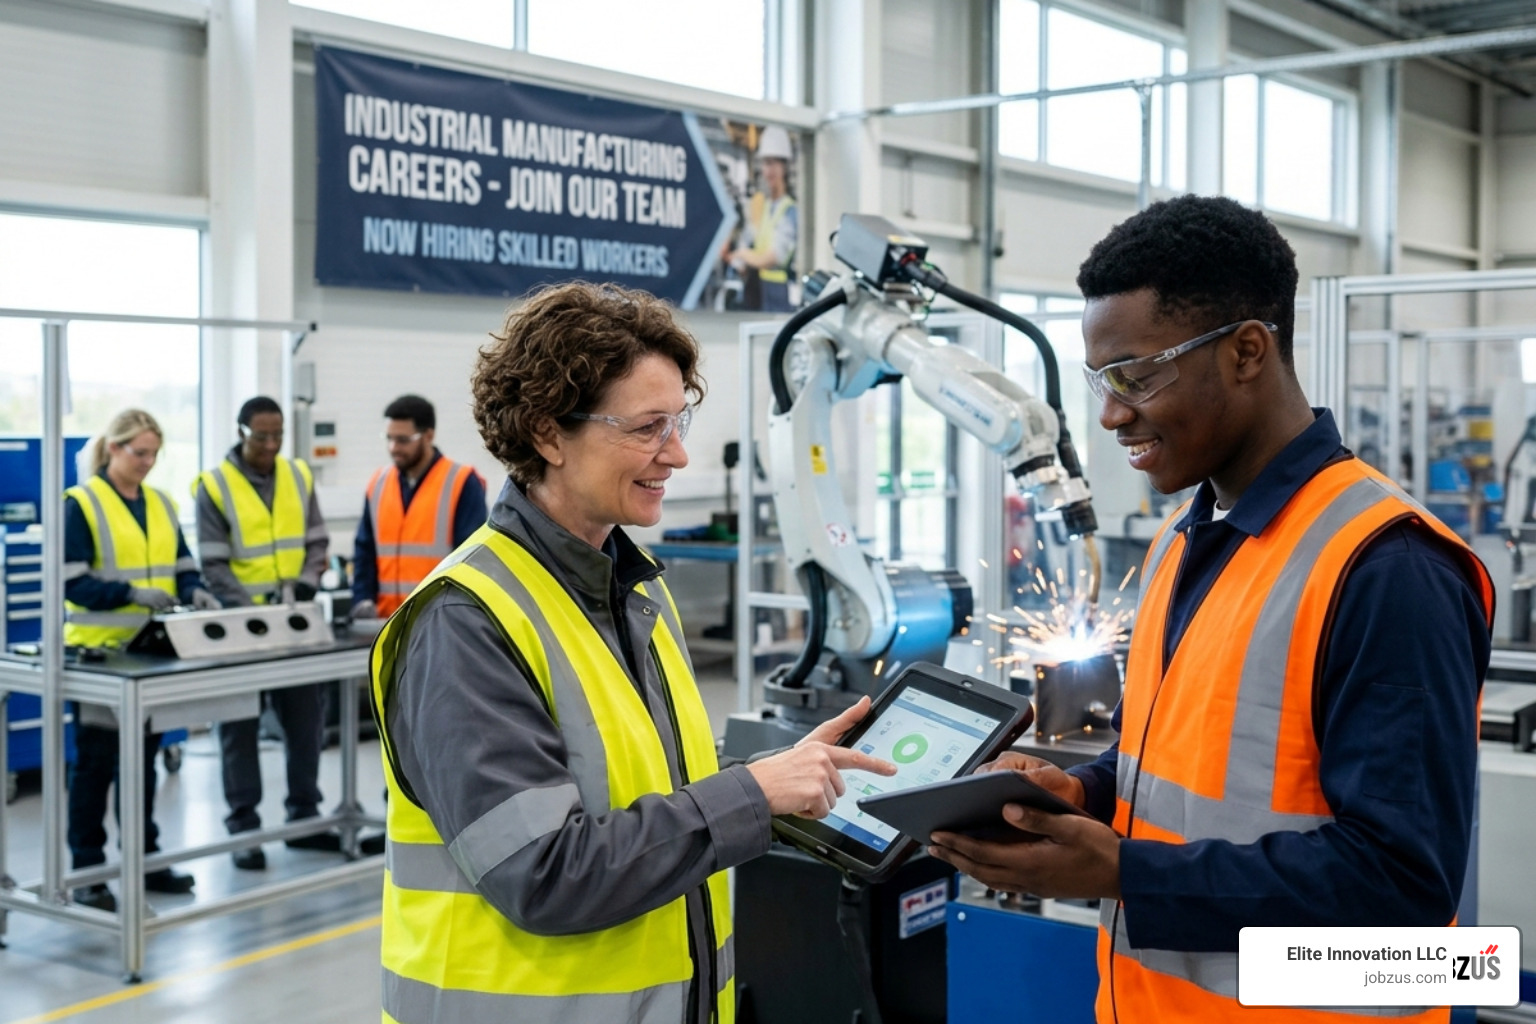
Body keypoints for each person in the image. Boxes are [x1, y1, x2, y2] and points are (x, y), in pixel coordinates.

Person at [927, 196, 1492, 1023]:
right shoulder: (1182, 542)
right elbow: (1174, 771)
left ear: (1247, 352)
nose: (1112, 413)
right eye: (1101, 381)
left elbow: (1402, 889)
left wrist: (1124, 872)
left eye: (1137, 376)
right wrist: (1077, 795)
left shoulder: (1386, 567)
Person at [369, 281, 895, 1024]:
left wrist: (771, 782)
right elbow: (542, 873)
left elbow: (635, 797)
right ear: (549, 432)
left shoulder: (631, 590)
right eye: (649, 428)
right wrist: (753, 796)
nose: (676, 454)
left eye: (677, 422)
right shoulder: (465, 622)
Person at [63, 409, 214, 911]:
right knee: (95, 766)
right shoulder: (82, 504)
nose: (148, 463)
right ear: (113, 448)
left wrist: (196, 592)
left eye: (154, 454)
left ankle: (144, 859)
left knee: (143, 761)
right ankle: (87, 871)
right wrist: (131, 593)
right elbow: (72, 582)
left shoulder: (161, 503)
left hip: (149, 654)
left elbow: (183, 564)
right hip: (98, 657)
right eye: (140, 453)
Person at [195, 396, 338, 869]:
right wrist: (251, 612)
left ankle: (305, 820)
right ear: (241, 432)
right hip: (241, 631)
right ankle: (244, 831)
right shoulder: (214, 487)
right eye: (262, 436)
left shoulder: (297, 475)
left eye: (278, 435)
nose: (272, 444)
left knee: (306, 725)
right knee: (239, 729)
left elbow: (317, 541)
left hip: (296, 626)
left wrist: (305, 585)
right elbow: (213, 563)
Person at [350, 394, 486, 621]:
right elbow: (365, 550)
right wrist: (362, 600)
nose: (394, 448)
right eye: (389, 438)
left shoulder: (461, 482)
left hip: (439, 623)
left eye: (403, 440)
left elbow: (472, 560)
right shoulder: (378, 484)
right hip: (386, 623)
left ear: (428, 436)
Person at [727, 125, 798, 312]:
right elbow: (751, 237)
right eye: (766, 163)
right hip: (759, 291)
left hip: (780, 295)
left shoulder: (790, 210)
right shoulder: (764, 207)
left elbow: (773, 257)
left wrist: (743, 255)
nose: (770, 170)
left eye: (775, 163)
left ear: (785, 166)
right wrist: (739, 260)